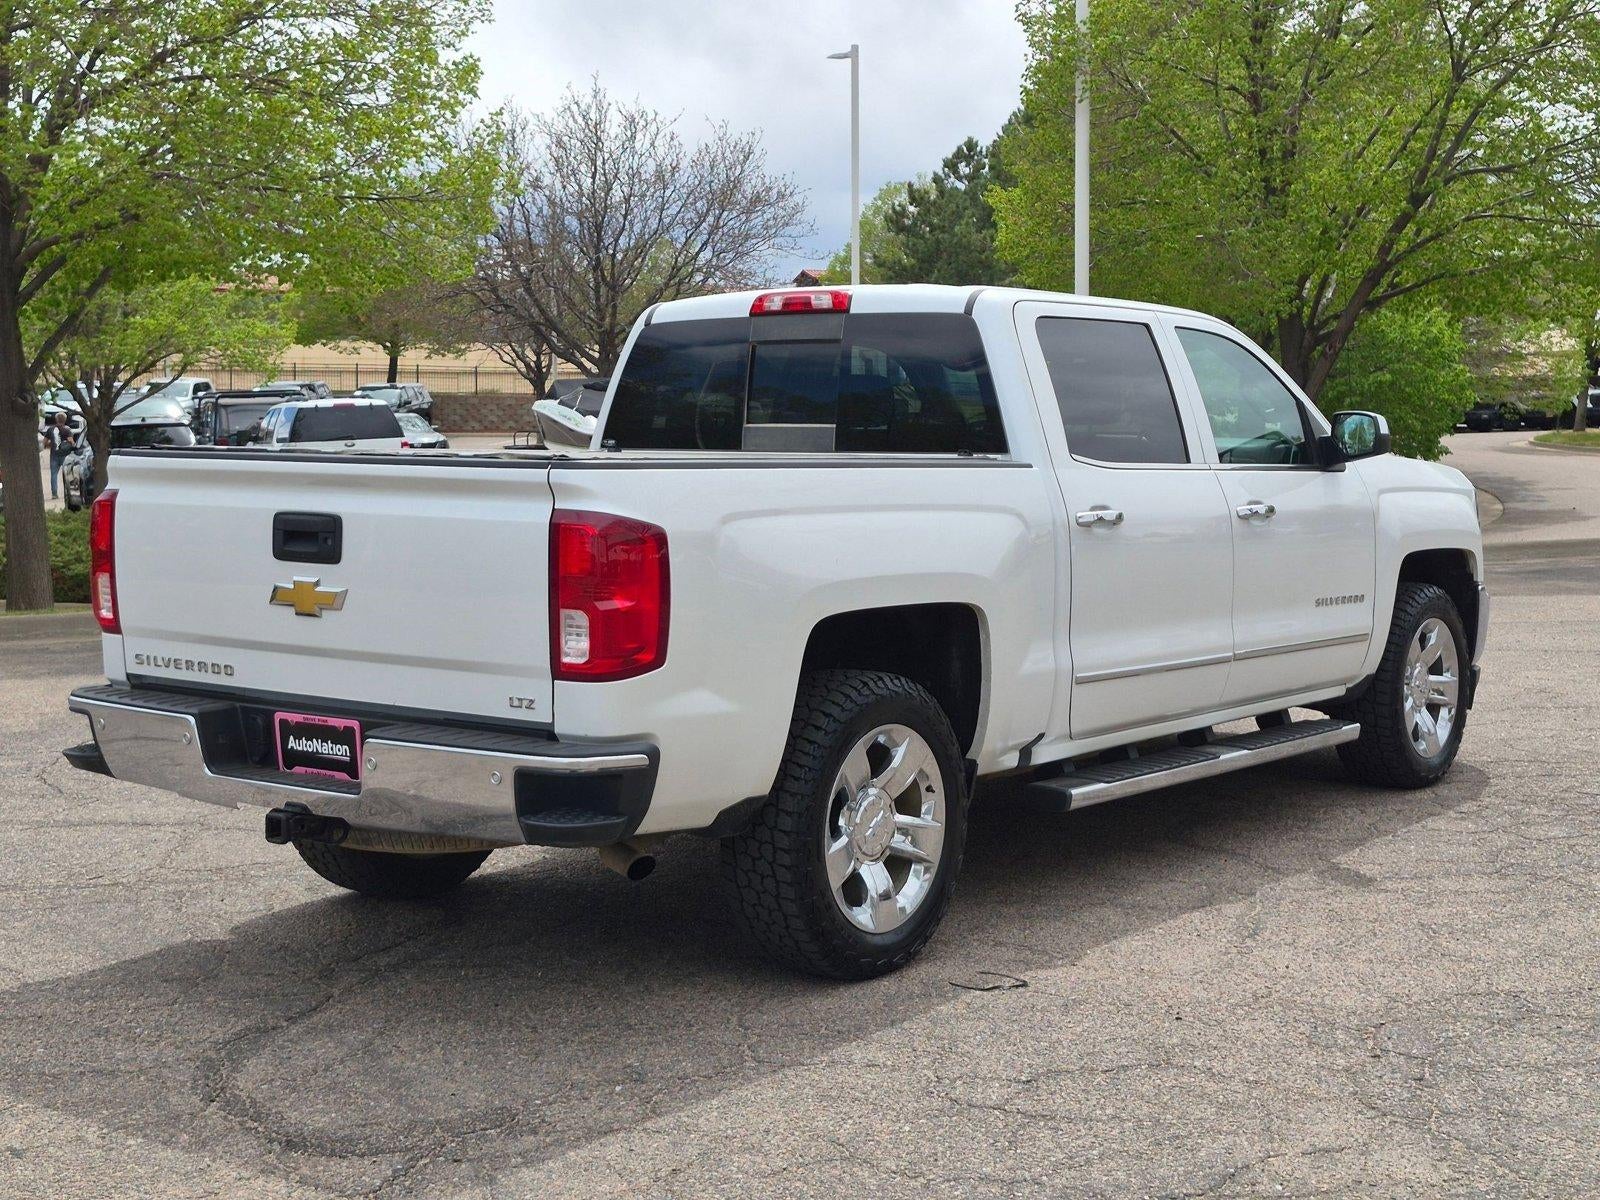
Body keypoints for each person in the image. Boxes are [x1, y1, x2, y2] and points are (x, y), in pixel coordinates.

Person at [42, 411, 77, 501]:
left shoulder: (51, 429)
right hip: (65, 455)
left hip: (54, 454)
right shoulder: (67, 429)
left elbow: (45, 442)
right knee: (67, 474)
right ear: (65, 420)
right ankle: (68, 492)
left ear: (56, 419)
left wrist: (47, 445)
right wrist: (74, 445)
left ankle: (54, 494)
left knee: (53, 474)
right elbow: (70, 440)